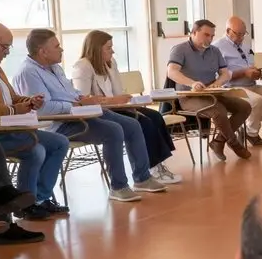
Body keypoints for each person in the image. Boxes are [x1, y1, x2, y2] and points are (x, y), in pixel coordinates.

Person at [15, 29, 167, 202]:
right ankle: (119, 186)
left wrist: (83, 98)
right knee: (113, 130)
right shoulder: (28, 72)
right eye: (57, 46)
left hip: (80, 114)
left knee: (133, 124)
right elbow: (42, 109)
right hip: (61, 123)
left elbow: (71, 92)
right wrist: (77, 104)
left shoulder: (55, 68)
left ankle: (142, 178)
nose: (62, 49)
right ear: (43, 51)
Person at [72, 30, 182, 186]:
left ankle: (158, 164)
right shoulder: (82, 66)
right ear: (96, 49)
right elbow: (83, 100)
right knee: (144, 122)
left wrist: (128, 100)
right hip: (100, 111)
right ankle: (151, 168)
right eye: (108, 48)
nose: (113, 51)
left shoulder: (110, 63)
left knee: (155, 116)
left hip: (116, 106)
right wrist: (113, 100)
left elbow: (118, 91)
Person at [0, 21, 68, 223]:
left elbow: (12, 98)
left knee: (60, 142)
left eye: (9, 47)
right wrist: (14, 109)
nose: (8, 52)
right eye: (5, 46)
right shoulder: (26, 70)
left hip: (14, 127)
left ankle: (40, 198)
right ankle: (26, 206)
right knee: (36, 150)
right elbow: (2, 108)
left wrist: (29, 101)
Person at [167, 19, 252, 162]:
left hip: (212, 93)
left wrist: (217, 83)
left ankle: (218, 142)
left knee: (244, 107)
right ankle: (234, 143)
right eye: (206, 35)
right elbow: (172, 72)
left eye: (212, 36)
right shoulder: (179, 49)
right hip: (189, 97)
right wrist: (192, 83)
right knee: (218, 111)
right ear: (194, 33)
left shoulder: (214, 51)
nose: (210, 39)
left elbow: (225, 73)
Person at [213, 16, 262, 148]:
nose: (241, 37)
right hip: (232, 87)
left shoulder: (246, 47)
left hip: (251, 84)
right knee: (258, 101)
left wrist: (256, 72)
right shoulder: (217, 48)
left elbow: (251, 64)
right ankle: (252, 133)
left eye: (243, 34)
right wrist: (244, 72)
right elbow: (219, 75)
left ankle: (246, 128)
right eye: (238, 34)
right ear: (228, 31)